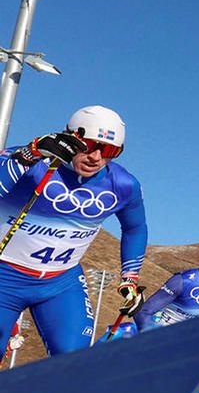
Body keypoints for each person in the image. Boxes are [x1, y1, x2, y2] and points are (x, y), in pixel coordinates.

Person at [0, 106, 146, 355]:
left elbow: (135, 228)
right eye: (89, 145)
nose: (97, 157)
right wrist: (29, 154)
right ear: (71, 136)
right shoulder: (29, 161)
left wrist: (129, 278)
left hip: (61, 283)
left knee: (73, 361)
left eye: (110, 151)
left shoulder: (123, 185)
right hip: (5, 278)